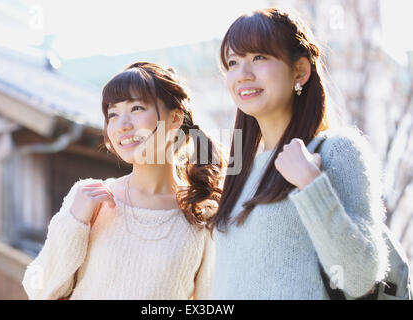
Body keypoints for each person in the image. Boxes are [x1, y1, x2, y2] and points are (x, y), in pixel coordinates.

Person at [208, 8, 389, 299]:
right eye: (232, 62)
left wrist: (311, 184)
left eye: (259, 57)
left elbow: (359, 278)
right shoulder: (239, 169)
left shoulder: (335, 151)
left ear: (300, 71)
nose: (242, 74)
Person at [22, 62, 225, 299]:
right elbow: (40, 288)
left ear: (176, 119)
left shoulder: (202, 214)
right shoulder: (89, 198)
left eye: (137, 108)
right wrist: (75, 223)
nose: (122, 125)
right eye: (113, 114)